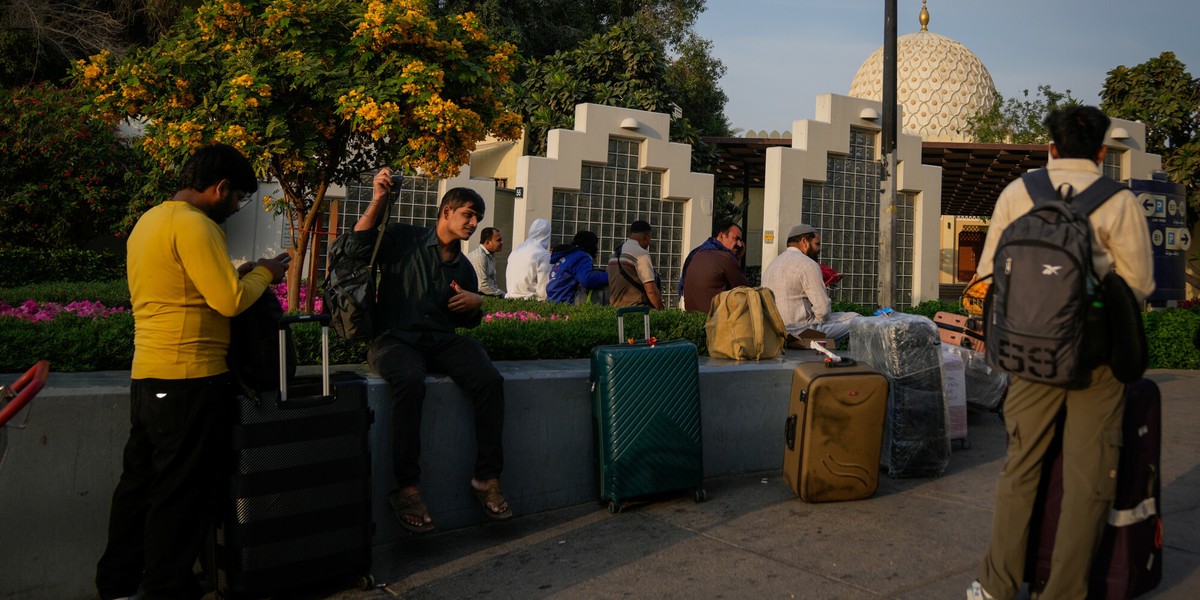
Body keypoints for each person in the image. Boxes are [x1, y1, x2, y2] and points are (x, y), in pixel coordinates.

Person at [967, 106, 1155, 600]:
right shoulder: (1119, 202)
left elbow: (986, 278)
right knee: (1088, 480)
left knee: (1020, 468)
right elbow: (1139, 288)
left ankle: (996, 586)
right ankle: (1065, 591)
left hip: (1030, 358)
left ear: (1049, 148)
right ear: (1101, 152)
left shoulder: (1017, 193)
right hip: (1097, 366)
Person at [96, 144, 288, 600]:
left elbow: (189, 291)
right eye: (238, 198)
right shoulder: (196, 224)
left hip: (149, 375)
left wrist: (242, 273)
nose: (237, 208)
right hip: (191, 378)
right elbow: (229, 301)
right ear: (220, 188)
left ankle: (116, 584)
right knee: (180, 496)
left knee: (138, 486)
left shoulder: (150, 220)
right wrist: (264, 274)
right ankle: (166, 589)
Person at [345, 169, 511, 535]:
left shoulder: (464, 268)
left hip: (440, 340)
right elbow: (358, 244)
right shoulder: (404, 238)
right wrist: (378, 198)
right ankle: (407, 489)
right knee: (408, 380)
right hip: (394, 339)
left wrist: (475, 303)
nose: (473, 222)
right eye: (467, 214)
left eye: (477, 218)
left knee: (489, 379)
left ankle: (486, 478)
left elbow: (467, 323)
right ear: (447, 212)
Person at [760, 223, 857, 341]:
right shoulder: (808, 264)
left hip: (775, 330)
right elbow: (823, 311)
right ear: (804, 242)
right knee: (857, 320)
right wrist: (816, 322)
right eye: (817, 244)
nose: (819, 249)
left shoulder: (773, 264)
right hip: (799, 331)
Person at [678, 221, 748, 313]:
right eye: (736, 239)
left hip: (692, 319)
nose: (739, 244)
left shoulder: (698, 253)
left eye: (741, 240)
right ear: (721, 236)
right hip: (715, 321)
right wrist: (737, 259)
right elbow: (746, 292)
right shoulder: (726, 258)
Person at [608, 220, 664, 309]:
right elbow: (651, 291)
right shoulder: (641, 254)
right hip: (636, 311)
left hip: (616, 311)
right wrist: (662, 312)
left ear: (629, 234)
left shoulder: (615, 254)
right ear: (647, 236)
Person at [547, 230, 608, 304]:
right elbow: (587, 280)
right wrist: (609, 276)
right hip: (564, 303)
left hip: (552, 301)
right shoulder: (581, 256)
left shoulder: (567, 255)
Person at [505, 218, 551, 300]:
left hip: (509, 300)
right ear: (547, 234)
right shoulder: (543, 254)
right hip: (530, 303)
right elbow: (543, 289)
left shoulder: (516, 250)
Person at [467, 226, 505, 297]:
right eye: (498, 240)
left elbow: (491, 281)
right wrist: (502, 294)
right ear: (487, 242)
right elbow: (482, 286)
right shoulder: (479, 256)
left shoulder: (490, 254)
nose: (502, 242)